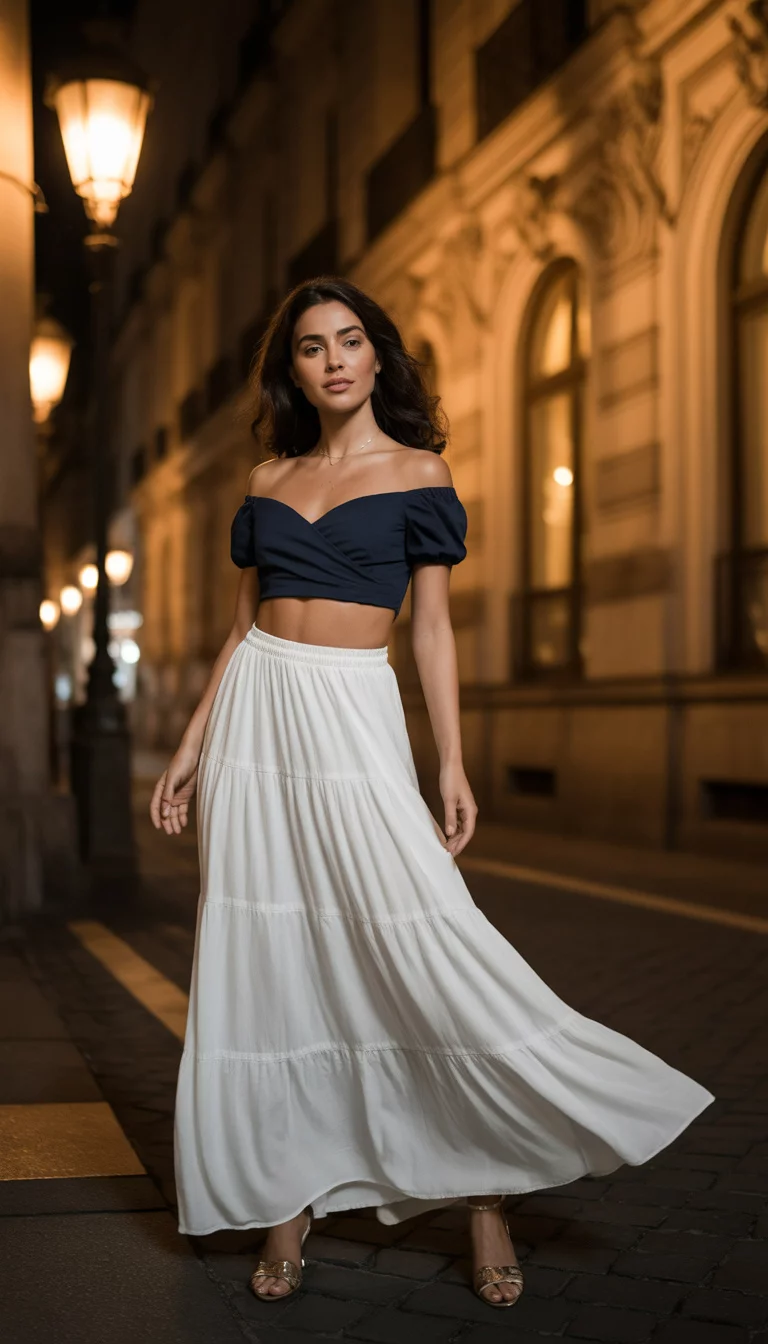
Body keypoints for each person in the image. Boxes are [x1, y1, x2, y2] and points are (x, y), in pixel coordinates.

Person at [151, 276, 714, 1311]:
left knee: (421, 939)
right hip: (257, 724)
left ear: (376, 357)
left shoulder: (420, 474)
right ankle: (289, 1198)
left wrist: (451, 761)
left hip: (355, 718)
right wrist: (190, 747)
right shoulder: (267, 480)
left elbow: (433, 631)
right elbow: (243, 631)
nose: (332, 360)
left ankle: (486, 1189)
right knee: (279, 960)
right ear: (296, 369)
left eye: (349, 340)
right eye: (313, 346)